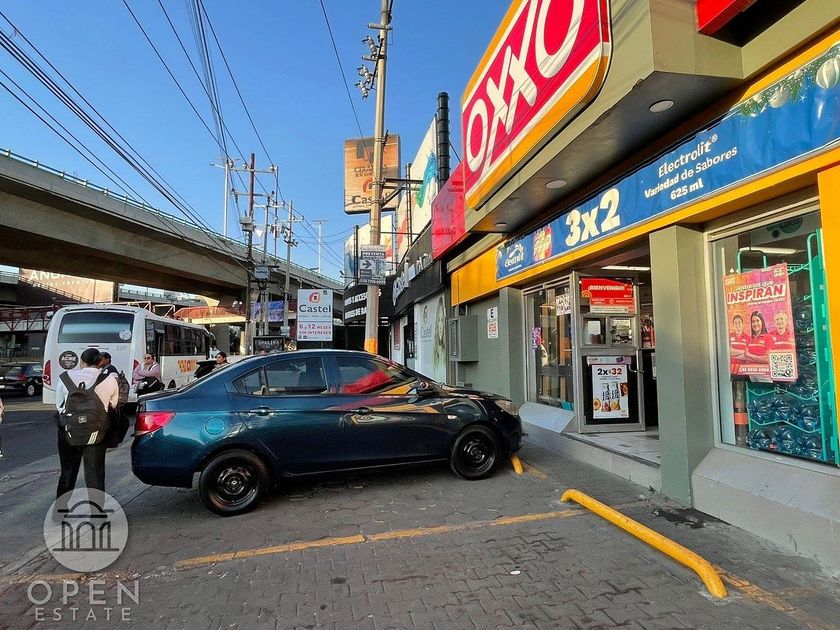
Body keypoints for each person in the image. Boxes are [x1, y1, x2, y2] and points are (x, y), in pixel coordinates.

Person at [54, 348, 119, 496]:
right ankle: (96, 511)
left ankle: (60, 510)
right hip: (97, 433)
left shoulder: (65, 378)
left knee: (67, 474)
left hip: (69, 431)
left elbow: (60, 406)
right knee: (95, 475)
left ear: (82, 362)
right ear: (100, 362)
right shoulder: (109, 379)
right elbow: (113, 405)